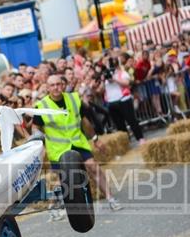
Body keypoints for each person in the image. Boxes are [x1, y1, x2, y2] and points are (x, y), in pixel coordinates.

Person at [32, 75, 122, 213]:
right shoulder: (41, 106)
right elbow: (35, 127)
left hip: (77, 142)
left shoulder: (74, 99)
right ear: (47, 87)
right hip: (58, 149)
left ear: (63, 85)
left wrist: (95, 139)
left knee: (93, 167)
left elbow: (85, 121)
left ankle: (111, 199)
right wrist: (38, 144)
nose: (56, 87)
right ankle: (56, 208)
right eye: (52, 85)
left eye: (58, 84)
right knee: (61, 179)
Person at [104, 57, 144, 144]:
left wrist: (114, 79)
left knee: (132, 120)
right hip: (112, 103)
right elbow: (101, 89)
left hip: (124, 100)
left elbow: (127, 83)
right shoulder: (105, 76)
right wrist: (106, 79)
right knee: (119, 124)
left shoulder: (122, 73)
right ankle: (126, 142)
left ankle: (140, 138)